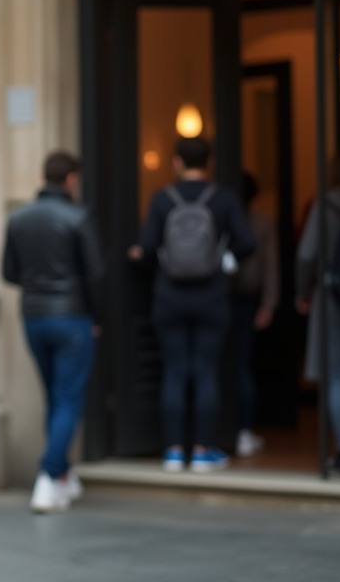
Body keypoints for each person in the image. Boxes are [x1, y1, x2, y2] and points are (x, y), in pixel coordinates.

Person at [129, 137, 254, 473]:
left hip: (169, 296)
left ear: (176, 162)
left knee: (174, 371)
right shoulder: (223, 198)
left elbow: (146, 246)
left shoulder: (162, 199)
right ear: (209, 162)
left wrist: (140, 255)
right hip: (211, 295)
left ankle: (172, 452)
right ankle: (201, 452)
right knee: (205, 371)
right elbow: (247, 242)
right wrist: (224, 259)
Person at [3, 151, 104, 513]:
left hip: (34, 317)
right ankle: (48, 476)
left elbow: (8, 272)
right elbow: (96, 273)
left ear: (42, 177)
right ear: (72, 178)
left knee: (55, 397)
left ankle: (62, 474)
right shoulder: (79, 216)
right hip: (72, 317)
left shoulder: (18, 218)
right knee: (68, 399)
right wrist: (97, 316)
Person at [295, 147, 340, 473]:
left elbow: (306, 254)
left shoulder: (326, 203)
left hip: (333, 294)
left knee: (338, 375)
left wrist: (301, 291)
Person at [230, 172, 279, 459]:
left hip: (216, 297)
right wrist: (269, 303)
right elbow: (271, 265)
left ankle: (214, 433)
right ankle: (243, 432)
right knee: (241, 365)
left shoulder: (218, 214)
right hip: (247, 298)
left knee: (216, 365)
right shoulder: (262, 222)